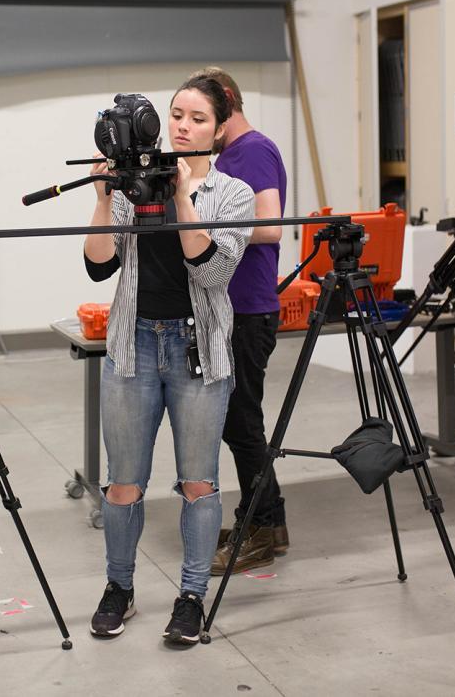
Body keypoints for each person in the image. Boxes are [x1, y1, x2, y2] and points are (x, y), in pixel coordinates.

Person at [83, 76, 255, 643]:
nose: (182, 126)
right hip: (133, 347)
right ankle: (120, 588)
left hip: (197, 351)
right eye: (176, 114)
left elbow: (209, 272)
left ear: (219, 128)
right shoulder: (136, 185)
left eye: (197, 118)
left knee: (199, 483)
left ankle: (191, 595)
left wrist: (181, 194)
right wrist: (107, 196)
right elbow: (100, 265)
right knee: (123, 484)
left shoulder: (232, 195)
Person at [186, 68, 290, 576]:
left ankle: (262, 526)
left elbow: (270, 224)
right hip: (231, 307)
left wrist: (207, 226)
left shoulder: (253, 149)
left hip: (248, 308)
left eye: (201, 114)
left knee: (241, 423)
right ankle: (268, 519)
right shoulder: (230, 155)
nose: (190, 124)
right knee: (238, 422)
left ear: (225, 103)